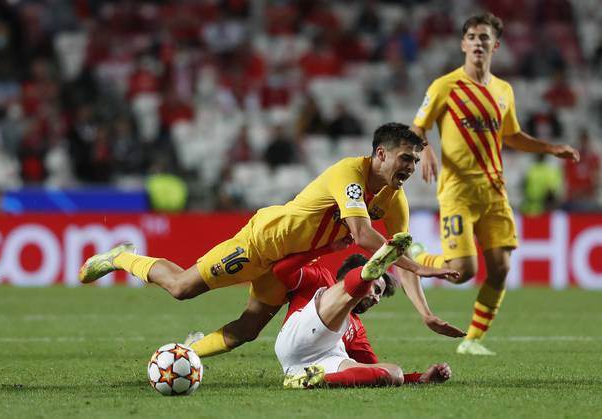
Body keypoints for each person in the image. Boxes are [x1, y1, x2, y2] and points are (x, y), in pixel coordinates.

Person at [79, 122, 457, 359]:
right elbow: (362, 235)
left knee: (247, 330)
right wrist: (421, 266)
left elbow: (394, 256)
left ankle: (186, 354)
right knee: (181, 288)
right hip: (261, 244)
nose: (410, 167)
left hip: (290, 264)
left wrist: (425, 313)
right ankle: (122, 257)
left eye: (414, 160)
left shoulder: (395, 200)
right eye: (405, 158)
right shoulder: (349, 173)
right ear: (380, 154)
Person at [409, 13, 580, 356]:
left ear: (495, 45)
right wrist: (425, 151)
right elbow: (418, 128)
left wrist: (550, 147)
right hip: (458, 190)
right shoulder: (445, 86)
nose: (477, 42)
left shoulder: (504, 90)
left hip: (495, 191)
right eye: (471, 36)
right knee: (463, 270)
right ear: (462, 44)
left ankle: (472, 340)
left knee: (501, 269)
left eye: (484, 37)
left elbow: (512, 135)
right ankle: (415, 255)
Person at [273, 233, 456, 389]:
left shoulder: (357, 329)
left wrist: (421, 378)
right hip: (297, 340)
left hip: (319, 365)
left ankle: (309, 381)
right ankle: (363, 277)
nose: (377, 299)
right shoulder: (320, 278)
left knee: (394, 373)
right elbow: (280, 271)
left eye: (379, 295)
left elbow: (373, 371)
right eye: (376, 289)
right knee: (339, 295)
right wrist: (326, 248)